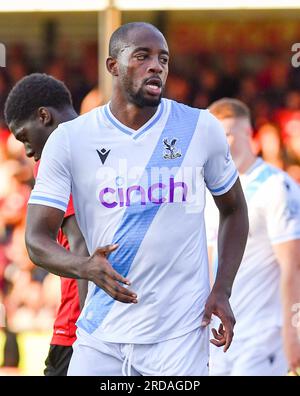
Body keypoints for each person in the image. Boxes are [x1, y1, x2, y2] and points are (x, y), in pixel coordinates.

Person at [24, 23, 248, 376]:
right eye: (142, 56)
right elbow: (36, 239)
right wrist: (84, 267)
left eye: (163, 58)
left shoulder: (200, 127)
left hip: (180, 335)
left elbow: (234, 210)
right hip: (101, 335)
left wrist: (223, 288)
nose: (156, 65)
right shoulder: (71, 139)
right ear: (113, 66)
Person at [3, 73, 116, 375]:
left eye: (24, 136)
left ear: (44, 116)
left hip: (78, 331)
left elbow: (81, 246)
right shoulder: (110, 143)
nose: (27, 151)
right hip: (122, 326)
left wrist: (90, 335)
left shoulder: (59, 156)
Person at [207, 97, 300, 376]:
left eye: (229, 134)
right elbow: (210, 261)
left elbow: (292, 268)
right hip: (220, 336)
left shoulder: (276, 186)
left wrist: (293, 331)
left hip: (263, 335)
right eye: (216, 136)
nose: (223, 143)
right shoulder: (210, 189)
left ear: (248, 134)